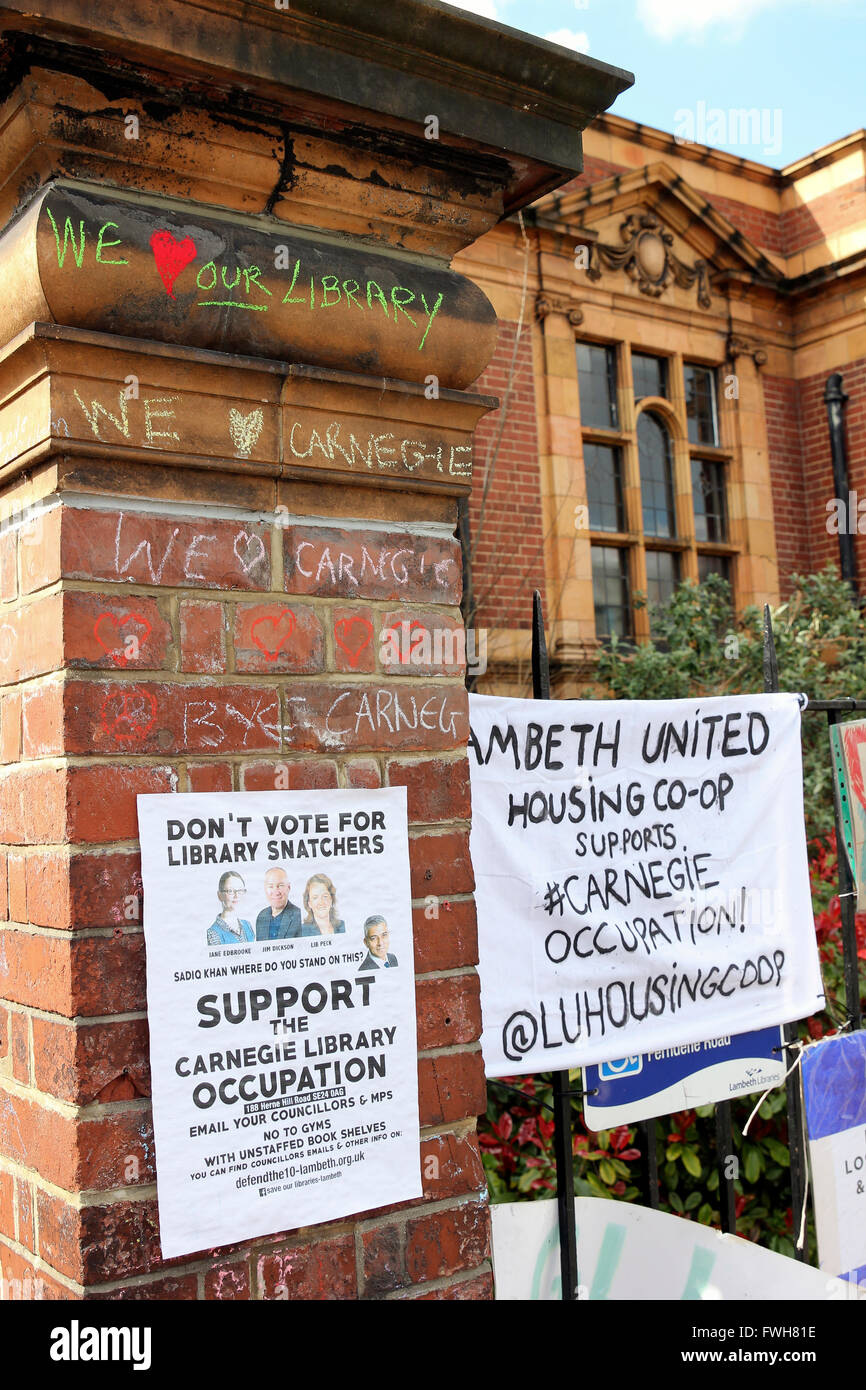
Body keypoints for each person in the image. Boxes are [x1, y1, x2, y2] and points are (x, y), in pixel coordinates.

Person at [207, 872, 254, 946]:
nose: (236, 896)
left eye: (240, 891)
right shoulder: (213, 933)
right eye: (230, 891)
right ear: (220, 895)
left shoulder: (247, 925)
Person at [255, 867, 302, 941]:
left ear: (288, 887)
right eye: (270, 886)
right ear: (265, 889)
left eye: (280, 885)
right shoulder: (261, 916)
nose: (276, 892)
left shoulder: (299, 915)